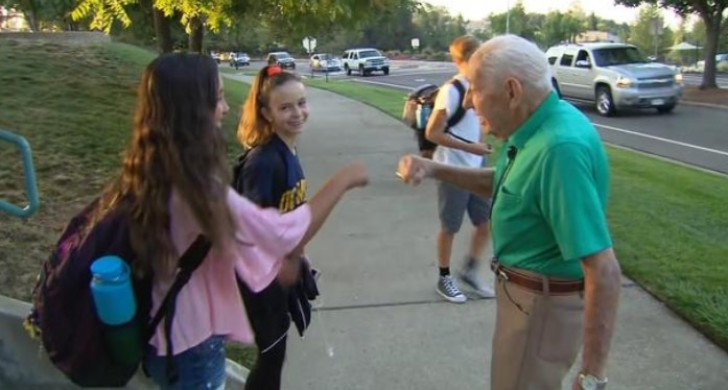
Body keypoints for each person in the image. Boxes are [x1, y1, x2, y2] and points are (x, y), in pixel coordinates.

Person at [82, 53, 368, 389]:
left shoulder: (157, 163)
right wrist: (344, 179)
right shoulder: (196, 183)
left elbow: (235, 239)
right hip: (189, 345)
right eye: (218, 98)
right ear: (193, 109)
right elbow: (277, 233)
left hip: (171, 332)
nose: (227, 108)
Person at [396, 35, 621, 390]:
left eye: (476, 90)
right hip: (527, 302)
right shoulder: (536, 126)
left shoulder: (558, 149)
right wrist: (435, 170)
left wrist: (592, 376)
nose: (468, 103)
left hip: (540, 311)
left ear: (512, 91)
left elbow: (604, 269)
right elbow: (504, 182)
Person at [232, 65, 312, 389]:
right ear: (265, 112)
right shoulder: (262, 161)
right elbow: (252, 229)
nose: (297, 113)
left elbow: (288, 212)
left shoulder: (288, 149)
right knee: (271, 354)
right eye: (285, 107)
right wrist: (288, 259)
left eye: (302, 103)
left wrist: (300, 255)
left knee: (276, 353)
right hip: (262, 277)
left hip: (279, 272)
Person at [424, 35, 495, 303]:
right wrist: (471, 148)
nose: (481, 64)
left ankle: (470, 271)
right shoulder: (451, 90)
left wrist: (482, 146)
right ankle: (444, 278)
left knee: (485, 224)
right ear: (458, 61)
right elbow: (433, 132)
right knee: (449, 226)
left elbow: (478, 123)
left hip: (477, 167)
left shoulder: (478, 86)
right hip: (453, 169)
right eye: (475, 59)